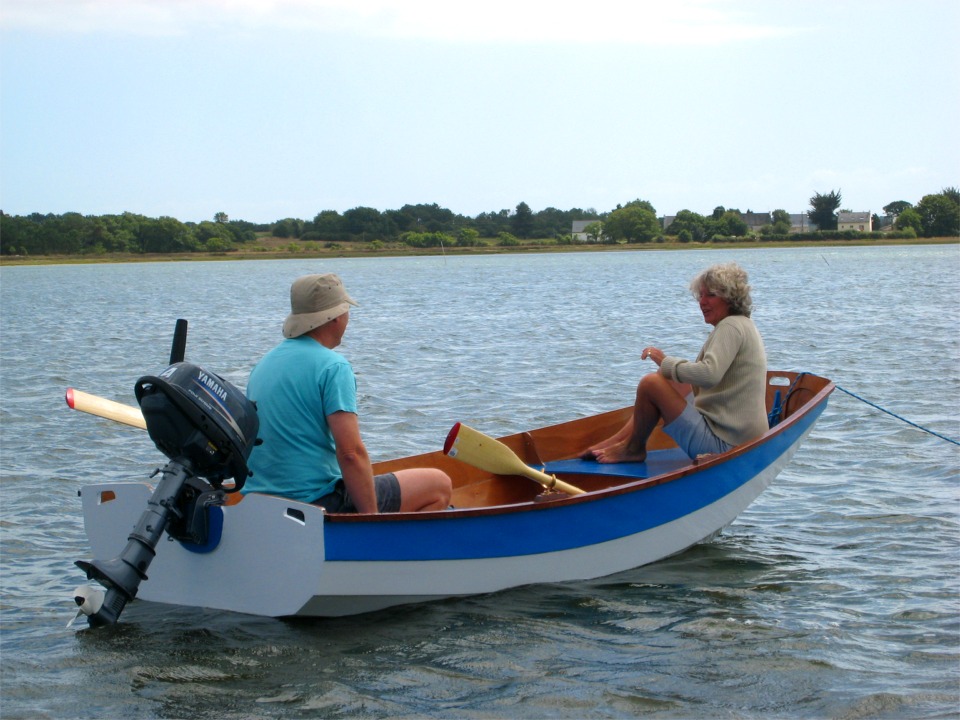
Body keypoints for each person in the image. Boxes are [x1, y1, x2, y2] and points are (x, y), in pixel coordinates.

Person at [242, 273, 452, 513]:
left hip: (262, 502)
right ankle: (382, 547)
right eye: (346, 310)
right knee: (439, 484)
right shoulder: (333, 367)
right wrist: (370, 520)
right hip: (313, 503)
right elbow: (350, 453)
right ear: (335, 317)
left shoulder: (264, 365)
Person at [583, 262, 768, 464]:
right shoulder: (743, 324)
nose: (703, 302)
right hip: (745, 438)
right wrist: (668, 369)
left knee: (650, 384)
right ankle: (620, 441)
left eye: (711, 295)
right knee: (665, 379)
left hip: (727, 444)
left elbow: (709, 374)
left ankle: (633, 449)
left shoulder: (730, 326)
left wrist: (665, 362)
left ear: (730, 298)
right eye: (701, 295)